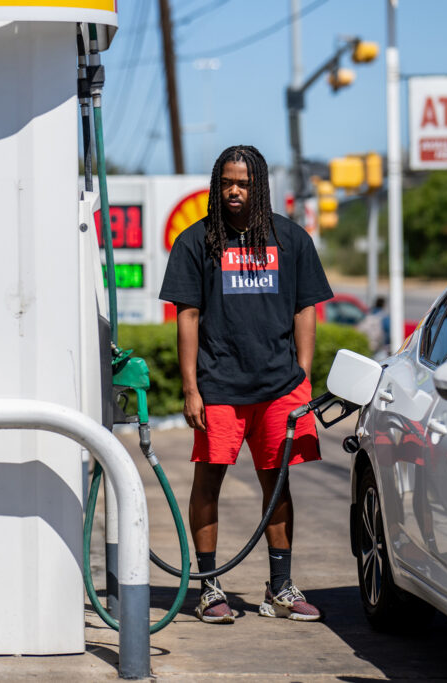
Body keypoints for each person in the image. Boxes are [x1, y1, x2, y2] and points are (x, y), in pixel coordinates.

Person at [159, 145, 332, 624]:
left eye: (245, 183)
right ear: (218, 185)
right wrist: (191, 388)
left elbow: (306, 307)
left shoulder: (291, 239)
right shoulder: (197, 242)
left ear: (260, 185)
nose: (235, 191)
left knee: (277, 485)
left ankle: (280, 589)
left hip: (280, 388)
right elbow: (187, 316)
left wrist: (300, 371)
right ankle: (210, 588)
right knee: (208, 481)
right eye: (228, 182)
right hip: (218, 387)